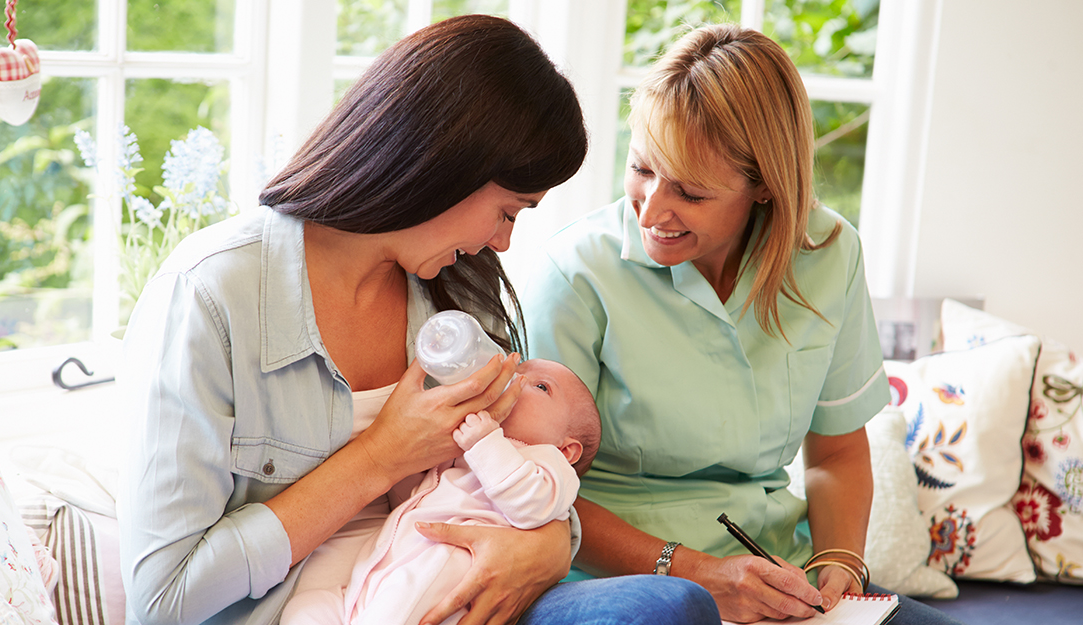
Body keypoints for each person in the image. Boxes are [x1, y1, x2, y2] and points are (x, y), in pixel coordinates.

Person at [116, 14, 719, 625]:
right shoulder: (212, 295)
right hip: (315, 612)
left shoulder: (462, 291)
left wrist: (544, 547)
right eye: (507, 212)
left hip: (462, 602)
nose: (503, 244)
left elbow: (531, 476)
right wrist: (380, 457)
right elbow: (164, 599)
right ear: (444, 165)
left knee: (669, 607)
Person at [521, 22, 966, 625]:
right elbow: (540, 493)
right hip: (610, 582)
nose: (651, 210)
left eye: (691, 192)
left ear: (764, 186)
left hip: (771, 572)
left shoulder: (830, 254)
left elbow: (835, 451)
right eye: (641, 169)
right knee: (677, 612)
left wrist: (839, 564)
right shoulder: (574, 274)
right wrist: (705, 577)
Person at [281, 358, 601, 625]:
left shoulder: (549, 462)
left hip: (445, 565)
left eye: (541, 387)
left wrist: (484, 443)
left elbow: (532, 506)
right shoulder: (467, 447)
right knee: (308, 609)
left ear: (568, 449)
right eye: (517, 371)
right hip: (384, 567)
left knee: (390, 614)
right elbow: (411, 493)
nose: (515, 381)